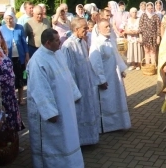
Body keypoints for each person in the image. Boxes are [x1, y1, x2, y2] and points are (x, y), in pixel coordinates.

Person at [27, 29, 84, 167]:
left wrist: (75, 94)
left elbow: (67, 75)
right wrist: (50, 112)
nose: (60, 43)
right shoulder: (37, 61)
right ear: (48, 43)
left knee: (68, 138)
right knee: (54, 142)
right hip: (52, 113)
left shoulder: (57, 53)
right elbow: (39, 89)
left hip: (65, 106)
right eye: (57, 40)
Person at [61, 18, 99, 146]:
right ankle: (79, 141)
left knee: (88, 110)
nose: (87, 31)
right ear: (76, 29)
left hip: (86, 84)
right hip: (77, 86)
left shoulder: (83, 42)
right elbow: (68, 71)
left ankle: (91, 138)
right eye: (84, 28)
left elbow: (86, 63)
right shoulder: (68, 46)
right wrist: (74, 91)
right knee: (79, 114)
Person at [89, 19, 131, 133]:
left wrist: (122, 69)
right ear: (99, 29)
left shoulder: (111, 40)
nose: (109, 29)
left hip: (115, 77)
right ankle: (107, 126)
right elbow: (95, 63)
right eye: (106, 27)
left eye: (109, 26)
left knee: (116, 100)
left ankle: (118, 124)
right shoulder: (97, 43)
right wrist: (101, 79)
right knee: (107, 101)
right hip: (106, 79)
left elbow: (117, 56)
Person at [0, 29, 24, 133]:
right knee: (3, 118)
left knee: (11, 117)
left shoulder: (1, 51)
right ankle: (3, 145)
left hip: (10, 92)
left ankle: (13, 144)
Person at [0, 9, 29, 105]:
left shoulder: (20, 28)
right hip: (8, 58)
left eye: (10, 18)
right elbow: (0, 44)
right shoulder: (1, 29)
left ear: (14, 18)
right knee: (11, 78)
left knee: (20, 78)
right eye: (7, 19)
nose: (9, 20)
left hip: (19, 57)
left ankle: (21, 98)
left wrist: (27, 55)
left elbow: (24, 42)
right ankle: (13, 98)